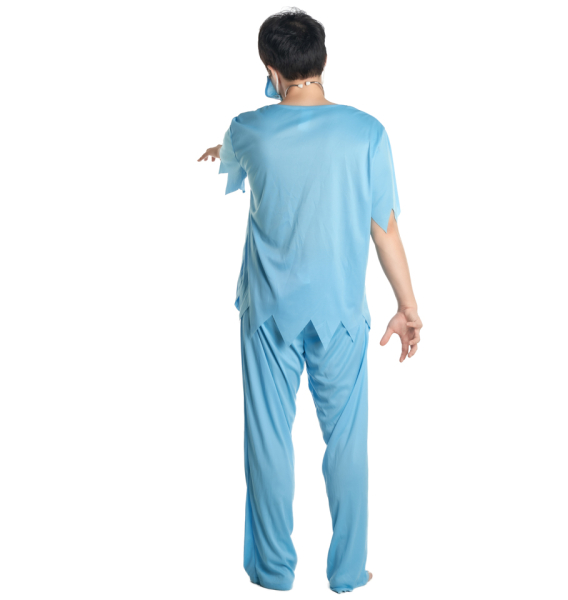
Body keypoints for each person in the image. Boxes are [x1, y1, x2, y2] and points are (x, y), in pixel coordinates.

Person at [198, 8, 423, 593]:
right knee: (346, 444)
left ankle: (274, 572)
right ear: (323, 60)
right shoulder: (367, 132)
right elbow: (385, 229)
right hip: (341, 315)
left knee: (268, 441)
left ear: (269, 69)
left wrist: (222, 148)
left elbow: (240, 149)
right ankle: (347, 572)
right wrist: (408, 307)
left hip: (267, 315)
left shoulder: (248, 129)